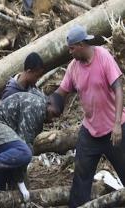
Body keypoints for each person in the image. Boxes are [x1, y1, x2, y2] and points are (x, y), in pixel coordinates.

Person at [55, 25, 125, 207]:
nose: (70, 52)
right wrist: (50, 102)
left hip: (114, 129)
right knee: (81, 176)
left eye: (71, 48)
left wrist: (117, 124)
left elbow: (118, 89)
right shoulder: (73, 67)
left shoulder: (103, 57)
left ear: (81, 45)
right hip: (90, 132)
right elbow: (62, 91)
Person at [0, 92, 64, 201]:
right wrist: (21, 182)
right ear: (48, 103)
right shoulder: (36, 106)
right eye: (53, 114)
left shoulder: (39, 110)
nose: (53, 119)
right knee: (25, 153)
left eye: (56, 117)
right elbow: (24, 148)